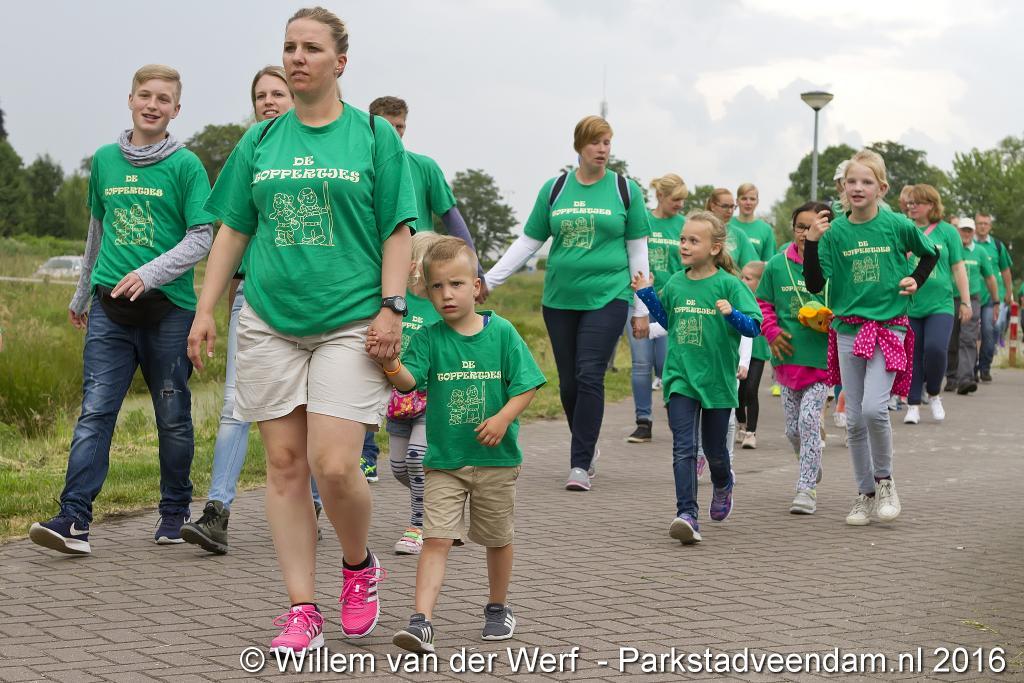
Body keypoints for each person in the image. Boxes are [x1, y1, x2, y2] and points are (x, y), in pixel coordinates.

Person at [187, 7, 417, 652]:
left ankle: (357, 565)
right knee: (285, 465)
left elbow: (397, 229)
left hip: (350, 319)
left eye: (311, 48)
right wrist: (205, 309)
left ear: (339, 62)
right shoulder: (260, 140)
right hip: (268, 320)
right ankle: (301, 608)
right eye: (289, 47)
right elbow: (233, 229)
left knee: (334, 464)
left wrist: (392, 307)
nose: (297, 57)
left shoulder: (373, 136)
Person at [29, 65, 214, 556]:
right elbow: (97, 230)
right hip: (109, 309)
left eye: (164, 99)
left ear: (176, 109)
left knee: (172, 415)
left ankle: (174, 511)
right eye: (145, 95)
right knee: (95, 411)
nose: (153, 105)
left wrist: (150, 273)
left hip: (168, 310)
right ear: (130, 100)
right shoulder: (106, 160)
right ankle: (73, 519)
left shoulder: (186, 166)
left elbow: (202, 236)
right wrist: (81, 292)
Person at [180, 65, 326, 555]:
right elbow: (231, 236)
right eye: (260, 95)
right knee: (235, 407)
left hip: (315, 302)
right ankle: (216, 512)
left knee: (308, 411)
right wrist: (215, 309)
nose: (268, 101)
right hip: (253, 298)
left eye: (277, 93)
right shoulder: (253, 155)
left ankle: (313, 501)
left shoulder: (322, 155)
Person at [380, 237, 545, 653]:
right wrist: (390, 363)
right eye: (436, 286)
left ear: (476, 286)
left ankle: (497, 607)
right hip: (444, 462)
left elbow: (527, 385)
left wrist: (503, 418)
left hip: (496, 461)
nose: (446, 295)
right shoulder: (430, 337)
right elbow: (408, 383)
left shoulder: (502, 332)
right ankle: (421, 622)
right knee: (435, 538)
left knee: (496, 538)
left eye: (455, 284)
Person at [485, 115, 651, 492]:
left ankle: (579, 462)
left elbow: (637, 251)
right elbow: (529, 242)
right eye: (595, 142)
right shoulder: (556, 189)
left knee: (590, 373)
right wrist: (490, 280)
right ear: (579, 146)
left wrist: (641, 309)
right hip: (560, 299)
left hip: (609, 295)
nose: (602, 149)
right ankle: (586, 444)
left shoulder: (625, 190)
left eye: (607, 142)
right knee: (569, 382)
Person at [804, 149, 937, 526]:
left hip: (889, 327)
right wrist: (812, 241)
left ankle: (886, 482)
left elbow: (930, 254)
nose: (858, 187)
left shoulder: (897, 224)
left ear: (882, 188)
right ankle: (864, 494)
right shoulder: (835, 233)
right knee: (854, 420)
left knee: (874, 409)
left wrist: (916, 279)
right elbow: (814, 284)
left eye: (866, 182)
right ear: (843, 188)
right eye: (852, 181)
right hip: (848, 329)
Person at [632, 210, 762, 545]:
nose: (685, 245)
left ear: (715, 248)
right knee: (684, 447)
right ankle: (687, 514)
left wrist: (733, 314)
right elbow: (668, 320)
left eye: (693, 240)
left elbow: (754, 327)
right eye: (683, 239)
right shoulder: (676, 282)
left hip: (717, 380)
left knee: (715, 450)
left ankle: (723, 482)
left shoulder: (729, 284)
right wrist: (647, 293)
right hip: (680, 377)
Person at [757, 202, 833, 513]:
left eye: (814, 227)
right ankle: (810, 461)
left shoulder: (832, 263)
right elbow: (763, 303)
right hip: (787, 359)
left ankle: (806, 488)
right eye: (801, 226)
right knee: (792, 430)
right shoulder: (777, 265)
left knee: (809, 420)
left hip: (822, 360)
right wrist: (771, 332)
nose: (805, 233)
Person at [385, 230, 446, 555]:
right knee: (399, 468)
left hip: (431, 397)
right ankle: (444, 498)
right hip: (399, 399)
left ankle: (418, 526)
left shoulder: (441, 306)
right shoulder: (396, 302)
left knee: (415, 458)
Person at [902, 184, 970, 425]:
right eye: (910, 202)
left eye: (917, 203)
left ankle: (933, 393)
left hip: (941, 303)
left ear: (931, 205)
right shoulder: (904, 227)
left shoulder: (948, 232)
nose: (911, 206)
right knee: (913, 354)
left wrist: (966, 301)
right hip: (909, 304)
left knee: (936, 349)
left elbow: (958, 268)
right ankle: (912, 404)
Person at [627, 173, 686, 443]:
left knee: (666, 363)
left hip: (670, 305)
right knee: (641, 363)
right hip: (640, 301)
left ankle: (676, 414)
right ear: (660, 196)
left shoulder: (684, 225)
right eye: (676, 199)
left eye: (683, 200)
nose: (680, 205)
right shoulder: (644, 221)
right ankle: (643, 421)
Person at [945, 217, 998, 394]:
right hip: (950, 299)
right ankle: (951, 377)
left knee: (968, 338)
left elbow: (990, 278)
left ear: (973, 232)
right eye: (963, 230)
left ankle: (965, 379)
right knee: (951, 339)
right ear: (958, 231)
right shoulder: (951, 248)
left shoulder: (980, 252)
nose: (966, 234)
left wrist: (996, 301)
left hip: (972, 300)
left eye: (969, 231)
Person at [973, 212, 1013, 382]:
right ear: (975, 224)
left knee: (989, 330)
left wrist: (1009, 292)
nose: (982, 226)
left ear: (990, 226)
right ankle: (971, 369)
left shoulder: (997, 246)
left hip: (991, 297)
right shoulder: (968, 243)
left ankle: (985, 367)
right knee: (970, 334)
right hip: (972, 295)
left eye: (986, 223)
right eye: (980, 223)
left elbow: (1005, 270)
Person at [736, 261, 770, 449]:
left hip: (758, 352)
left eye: (748, 279)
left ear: (759, 282)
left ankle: (751, 432)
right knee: (738, 392)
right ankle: (741, 423)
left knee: (751, 390)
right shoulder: (737, 297)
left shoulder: (765, 301)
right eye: (741, 276)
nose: (742, 281)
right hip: (738, 352)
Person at [705, 188, 757, 268]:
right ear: (713, 206)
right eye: (725, 206)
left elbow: (751, 267)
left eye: (732, 207)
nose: (729, 211)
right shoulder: (699, 230)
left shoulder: (738, 234)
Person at [731, 184, 777, 261]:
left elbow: (769, 263)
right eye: (744, 199)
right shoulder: (726, 225)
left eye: (752, 199)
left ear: (757, 202)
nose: (748, 203)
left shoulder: (766, 230)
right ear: (737, 201)